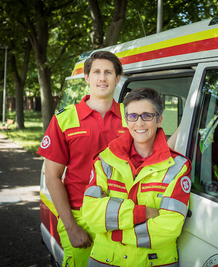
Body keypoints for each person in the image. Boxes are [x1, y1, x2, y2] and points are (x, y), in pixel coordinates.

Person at [82, 87, 191, 267]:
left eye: (147, 115)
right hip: (106, 260)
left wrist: (115, 232)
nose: (139, 123)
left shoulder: (178, 166)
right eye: (132, 116)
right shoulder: (105, 160)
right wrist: (142, 213)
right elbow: (92, 214)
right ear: (126, 121)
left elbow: (169, 227)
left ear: (159, 120)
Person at [37, 51, 126, 267]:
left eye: (108, 72)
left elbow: (157, 154)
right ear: (87, 78)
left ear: (118, 78)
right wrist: (71, 227)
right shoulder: (64, 119)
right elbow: (52, 177)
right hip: (80, 217)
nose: (102, 78)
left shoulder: (131, 117)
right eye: (96, 72)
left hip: (122, 217)